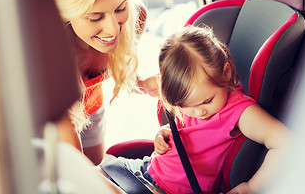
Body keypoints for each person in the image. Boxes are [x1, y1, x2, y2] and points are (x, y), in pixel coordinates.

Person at [101, 25, 291, 194]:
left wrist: (251, 187)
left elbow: (287, 143)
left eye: (207, 101)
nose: (199, 112)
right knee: (87, 173)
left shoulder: (238, 112)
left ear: (225, 73)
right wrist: (164, 133)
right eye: (184, 106)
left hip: (165, 190)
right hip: (144, 170)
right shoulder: (186, 91)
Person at [34, 0, 158, 165]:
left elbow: (120, 65)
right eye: (95, 17)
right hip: (49, 123)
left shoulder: (135, 19)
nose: (113, 29)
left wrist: (144, 84)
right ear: (64, 13)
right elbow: (66, 126)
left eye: (120, 8)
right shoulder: (47, 48)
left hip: (91, 112)